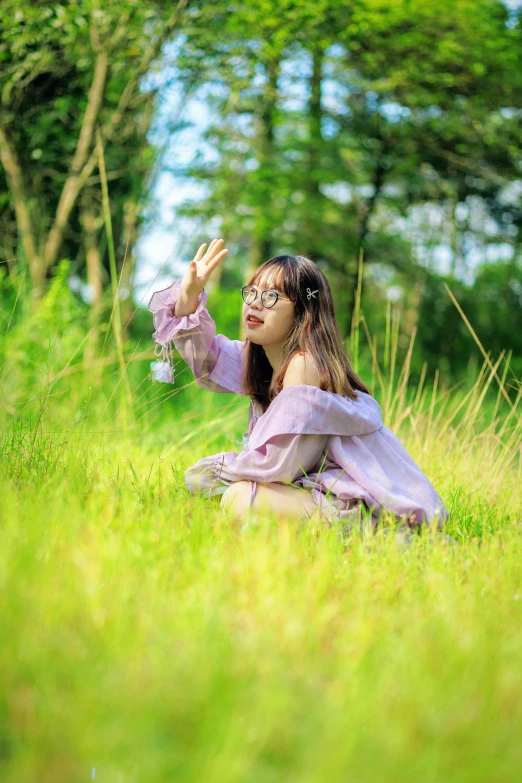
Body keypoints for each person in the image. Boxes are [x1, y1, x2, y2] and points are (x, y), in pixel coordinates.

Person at [148, 238, 449, 533]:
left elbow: (282, 467)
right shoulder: (264, 357)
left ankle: (367, 529)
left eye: (271, 297)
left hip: (360, 503)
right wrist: (189, 295)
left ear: (303, 312)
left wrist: (221, 468)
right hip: (317, 489)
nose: (254, 303)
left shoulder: (304, 366)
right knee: (212, 486)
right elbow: (208, 362)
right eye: (252, 292)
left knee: (236, 496)